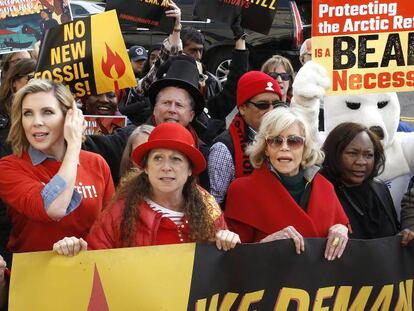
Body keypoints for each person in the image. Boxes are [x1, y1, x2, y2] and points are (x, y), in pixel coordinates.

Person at [53, 123, 240, 255]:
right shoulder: (121, 210)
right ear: (146, 167)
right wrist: (73, 249)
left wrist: (228, 242)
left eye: (176, 159)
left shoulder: (208, 208)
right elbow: (94, 260)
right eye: (158, 158)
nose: (166, 167)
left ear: (190, 169)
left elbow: (223, 271)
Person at [0, 79, 115, 253]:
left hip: (89, 271)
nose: (36, 122)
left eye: (47, 112)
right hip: (33, 275)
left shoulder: (97, 164)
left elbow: (109, 229)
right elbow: (54, 208)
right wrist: (74, 145)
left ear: (70, 117)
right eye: (28, 113)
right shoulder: (9, 167)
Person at [225, 107, 350, 260]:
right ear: (265, 149)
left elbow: (342, 230)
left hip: (320, 281)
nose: (284, 147)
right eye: (275, 141)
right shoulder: (242, 190)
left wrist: (341, 229)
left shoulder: (325, 187)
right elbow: (232, 259)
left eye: (294, 141)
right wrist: (265, 245)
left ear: (305, 147)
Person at [321, 122, 414, 244]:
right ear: (334, 154)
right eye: (352, 153)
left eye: (368, 155)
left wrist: (402, 236)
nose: (361, 162)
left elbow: (392, 234)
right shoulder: (319, 191)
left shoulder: (379, 189)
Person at [208, 71, 282, 205]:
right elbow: (213, 206)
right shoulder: (223, 149)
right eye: (262, 105)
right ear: (242, 108)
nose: (271, 111)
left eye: (276, 105)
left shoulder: (285, 140)